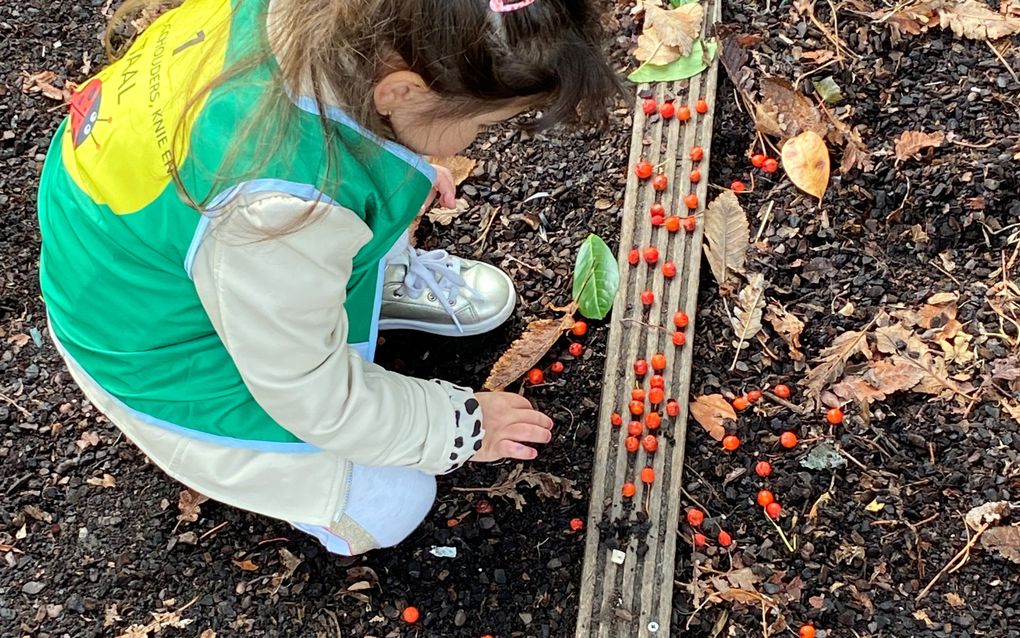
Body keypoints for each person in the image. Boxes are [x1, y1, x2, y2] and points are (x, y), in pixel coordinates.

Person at [36, 0, 618, 555]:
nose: (479, 139)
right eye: (483, 122)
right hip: (157, 352)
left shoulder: (334, 30)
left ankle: (343, 292)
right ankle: (315, 500)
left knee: (348, 213)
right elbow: (314, 396)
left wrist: (403, 172)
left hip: (177, 262)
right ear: (401, 91)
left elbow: (323, 174)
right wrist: (460, 427)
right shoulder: (278, 211)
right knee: (395, 503)